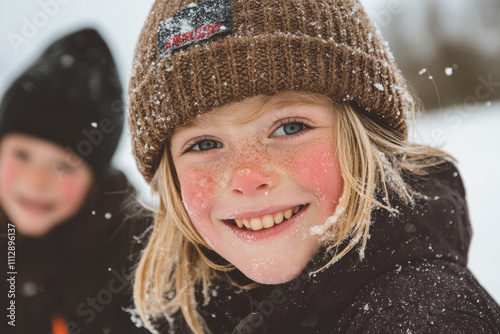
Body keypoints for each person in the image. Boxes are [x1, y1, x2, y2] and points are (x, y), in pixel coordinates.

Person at [127, 0, 500, 333]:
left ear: (365, 139)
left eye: (290, 128)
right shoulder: (204, 313)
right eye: (205, 144)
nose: (247, 177)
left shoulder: (423, 317)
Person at [0, 28, 150, 333]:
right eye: (23, 154)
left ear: (95, 180)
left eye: (64, 166)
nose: (37, 181)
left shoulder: (138, 256)